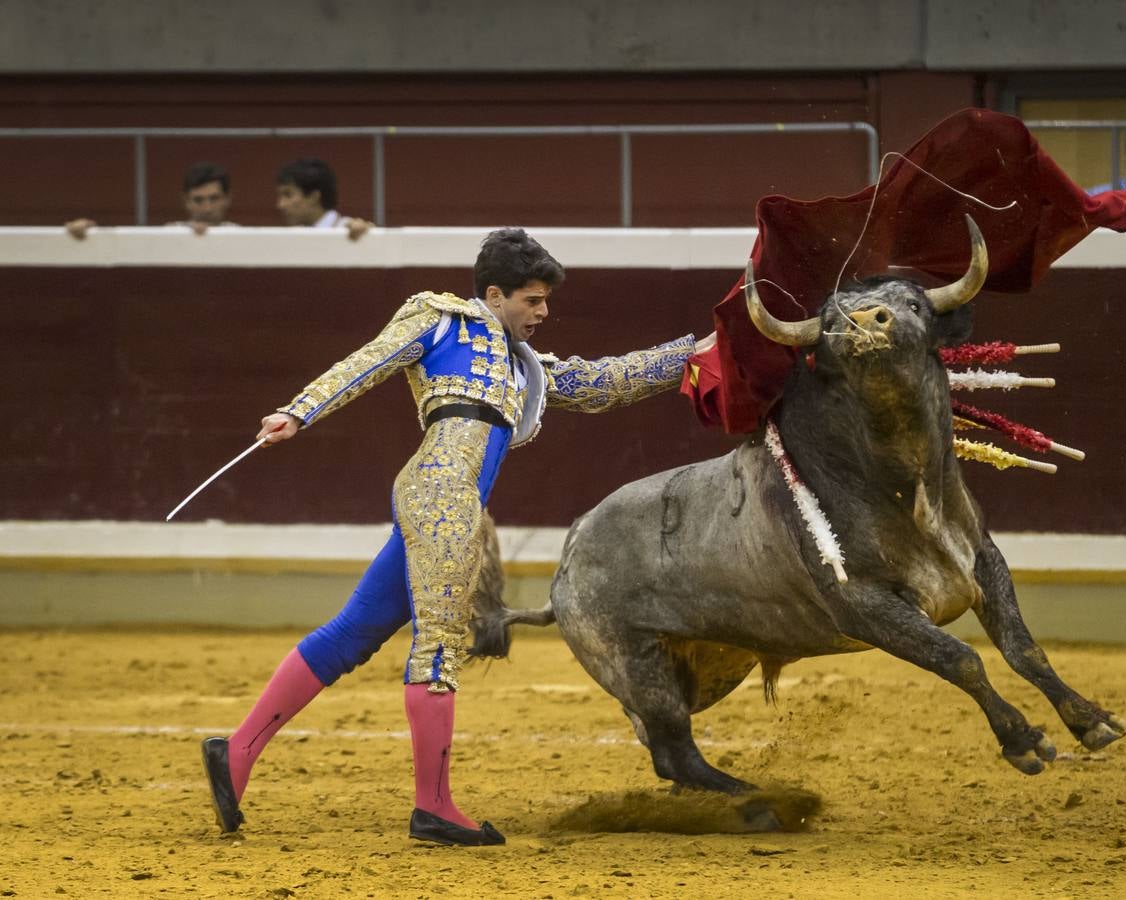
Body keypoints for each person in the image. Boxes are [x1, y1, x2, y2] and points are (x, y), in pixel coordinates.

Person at [200, 227, 712, 846]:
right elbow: (369, 360)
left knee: (354, 632)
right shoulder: (439, 319)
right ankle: (434, 806)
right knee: (439, 642)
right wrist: (299, 411)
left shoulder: (527, 368)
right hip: (441, 496)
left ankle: (236, 753)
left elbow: (603, 382)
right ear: (494, 294)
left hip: (450, 498)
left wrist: (695, 351)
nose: (544, 313)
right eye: (532, 300)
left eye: (547, 300)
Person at [65, 161, 237, 238]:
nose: (207, 208)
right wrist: (89, 232)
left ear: (227, 199)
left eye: (214, 199)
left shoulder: (240, 234)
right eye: (199, 200)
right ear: (186, 201)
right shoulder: (169, 233)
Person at [275, 157, 372, 240]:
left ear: (313, 197)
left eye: (288, 195)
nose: (281, 205)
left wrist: (368, 234)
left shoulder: (350, 230)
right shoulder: (295, 236)